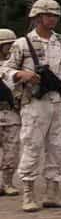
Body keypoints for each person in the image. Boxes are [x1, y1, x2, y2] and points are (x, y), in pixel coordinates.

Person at [5, 0, 61, 212]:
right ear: (38, 17)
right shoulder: (22, 44)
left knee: (59, 148)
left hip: (60, 102)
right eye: (48, 15)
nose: (53, 19)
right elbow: (5, 69)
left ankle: (53, 193)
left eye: (55, 15)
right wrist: (20, 74)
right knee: (32, 146)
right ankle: (28, 193)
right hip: (35, 103)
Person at [0, 29, 19, 196]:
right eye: (8, 45)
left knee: (11, 150)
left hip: (11, 112)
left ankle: (7, 182)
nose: (11, 48)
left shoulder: (15, 67)